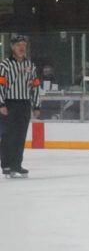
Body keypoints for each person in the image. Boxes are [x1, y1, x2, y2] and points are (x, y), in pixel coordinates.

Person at [0, 35, 41, 178]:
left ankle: (17, 164)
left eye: (23, 44)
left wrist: (36, 105)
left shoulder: (30, 66)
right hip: (9, 103)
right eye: (18, 45)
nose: (22, 47)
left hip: (24, 103)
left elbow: (35, 86)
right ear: (12, 47)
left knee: (20, 135)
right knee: (7, 135)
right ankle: (6, 164)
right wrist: (1, 104)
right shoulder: (5, 65)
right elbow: (0, 85)